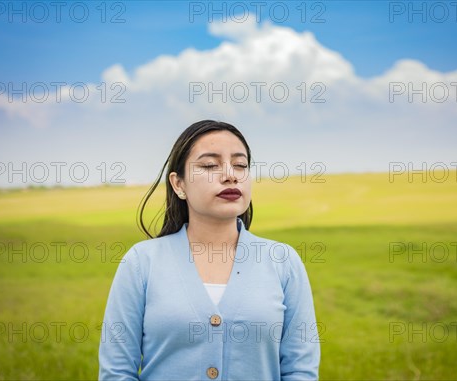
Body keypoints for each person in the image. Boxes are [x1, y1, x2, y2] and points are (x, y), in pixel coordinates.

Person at [98, 120, 321, 380]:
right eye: (209, 165)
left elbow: (300, 371)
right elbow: (117, 372)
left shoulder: (283, 262)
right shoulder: (141, 262)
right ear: (179, 184)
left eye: (240, 165)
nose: (230, 174)